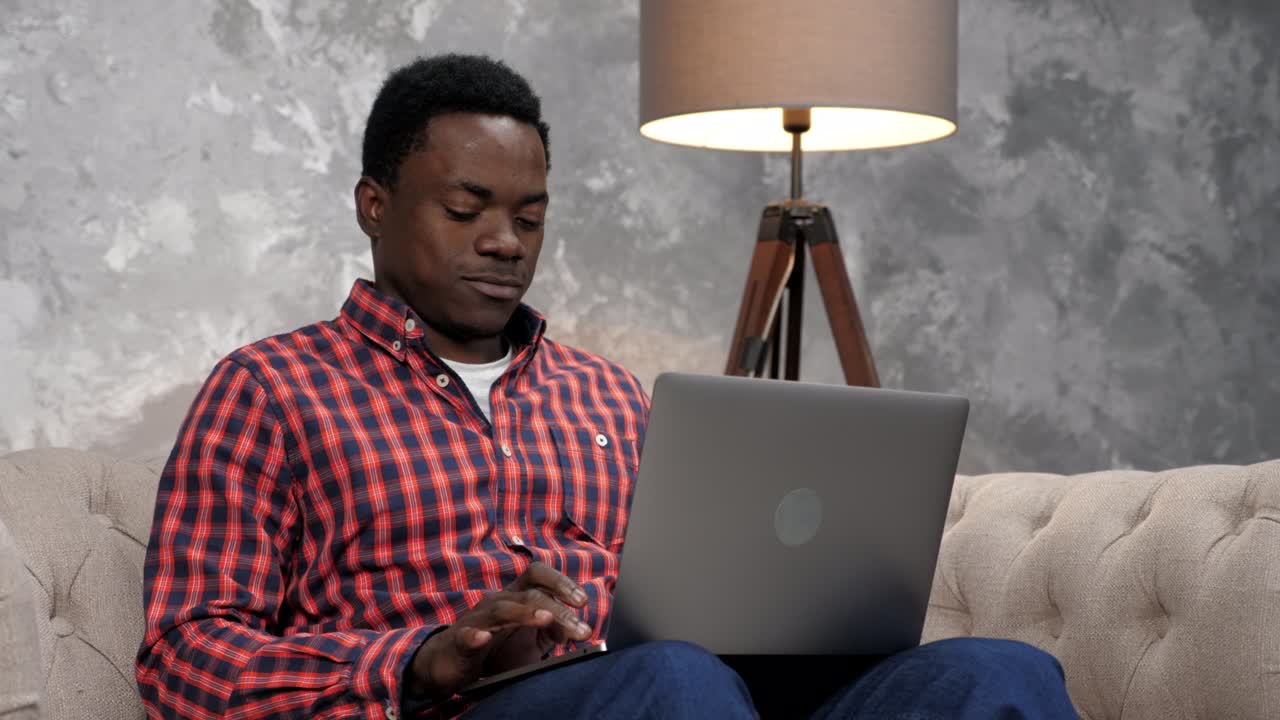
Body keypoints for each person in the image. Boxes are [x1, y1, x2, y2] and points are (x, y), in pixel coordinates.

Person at [136, 53, 1077, 719]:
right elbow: (185, 661)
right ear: (373, 207)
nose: (505, 241)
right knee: (674, 683)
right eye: (467, 210)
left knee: (1000, 674)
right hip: (472, 707)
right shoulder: (269, 390)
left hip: (704, 691)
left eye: (529, 217)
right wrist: (421, 661)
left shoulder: (610, 396)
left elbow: (698, 594)